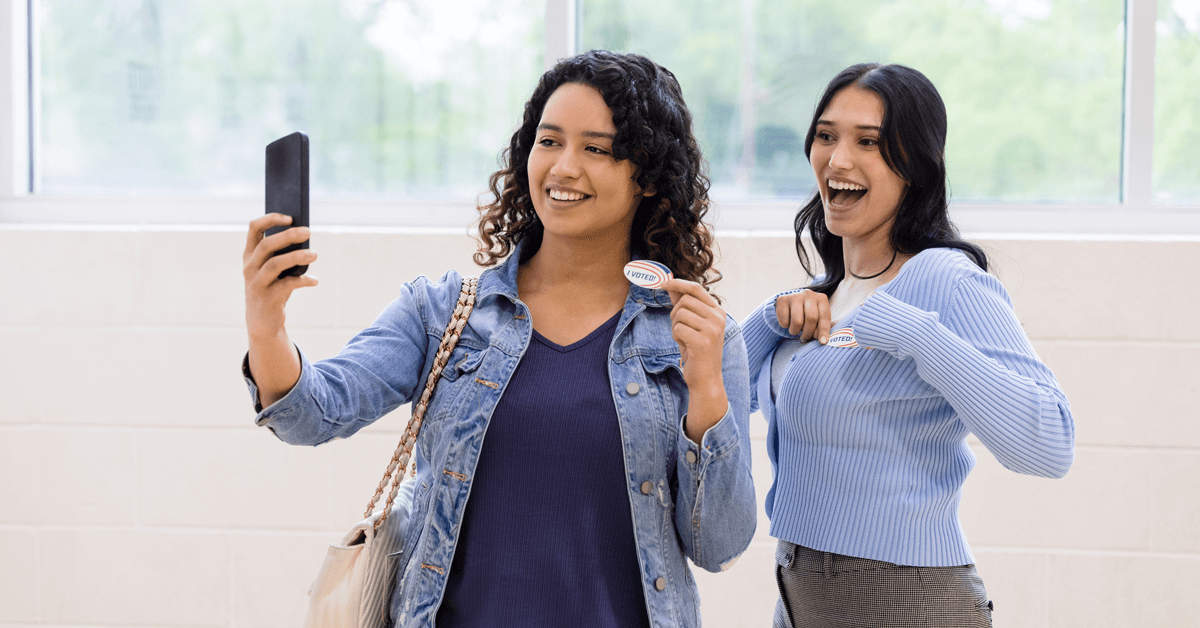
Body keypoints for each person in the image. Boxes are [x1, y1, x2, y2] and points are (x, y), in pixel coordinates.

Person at [241, 50, 755, 628]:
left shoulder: (701, 339)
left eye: (596, 149)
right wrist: (266, 326)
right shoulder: (442, 313)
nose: (563, 167)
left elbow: (720, 546)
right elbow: (311, 415)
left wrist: (706, 390)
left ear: (650, 177)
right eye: (549, 141)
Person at [741, 63, 1075, 628]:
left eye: (868, 142)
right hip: (801, 596)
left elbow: (1050, 444)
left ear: (915, 165)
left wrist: (921, 335)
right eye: (826, 136)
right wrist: (768, 321)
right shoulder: (825, 295)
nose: (838, 160)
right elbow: (713, 400)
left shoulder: (946, 279)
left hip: (906, 600)